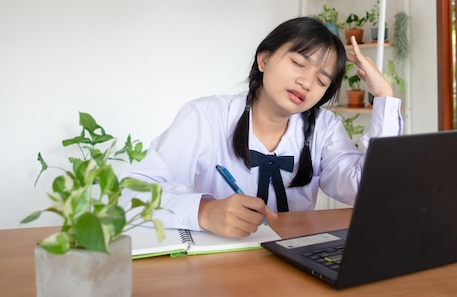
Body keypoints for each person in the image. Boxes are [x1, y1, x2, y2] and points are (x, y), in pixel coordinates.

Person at [120, 16, 402, 238]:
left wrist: (385, 99)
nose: (306, 82)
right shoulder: (205, 117)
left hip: (295, 264)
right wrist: (204, 211)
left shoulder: (324, 128)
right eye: (298, 63)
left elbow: (370, 189)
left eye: (321, 81)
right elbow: (130, 193)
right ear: (263, 59)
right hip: (216, 265)